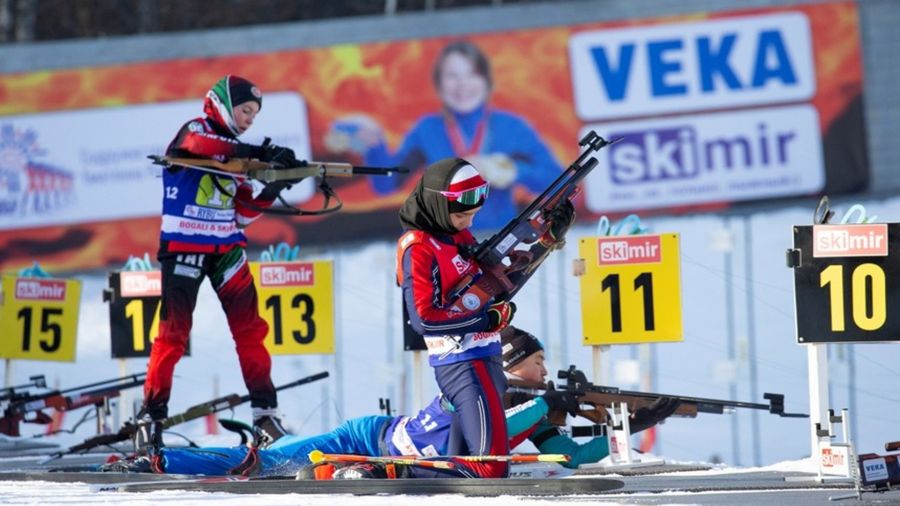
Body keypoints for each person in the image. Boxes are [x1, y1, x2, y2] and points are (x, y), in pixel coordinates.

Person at [103, 326, 675, 478]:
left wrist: (628, 428)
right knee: (264, 465)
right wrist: (554, 404)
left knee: (273, 466)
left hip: (382, 449)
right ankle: (156, 462)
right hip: (366, 437)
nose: (545, 371)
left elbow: (566, 457)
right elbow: (513, 423)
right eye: (537, 363)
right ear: (510, 366)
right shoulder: (476, 393)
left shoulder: (514, 412)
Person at [138, 75, 297, 469]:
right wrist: (258, 153)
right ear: (224, 104)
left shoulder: (239, 159)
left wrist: (277, 184)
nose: (248, 120)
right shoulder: (197, 130)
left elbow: (242, 214)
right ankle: (151, 416)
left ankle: (265, 413)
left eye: (254, 115)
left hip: (226, 248)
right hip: (185, 247)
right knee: (173, 335)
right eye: (245, 110)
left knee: (251, 330)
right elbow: (201, 147)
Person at [330, 39, 562, 230]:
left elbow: (557, 181)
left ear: (487, 82)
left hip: (500, 240)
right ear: (439, 85)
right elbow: (386, 186)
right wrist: (375, 146)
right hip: (445, 242)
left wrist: (509, 170)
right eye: (452, 76)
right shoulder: (427, 129)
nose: (462, 85)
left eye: (472, 74)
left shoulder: (512, 127)